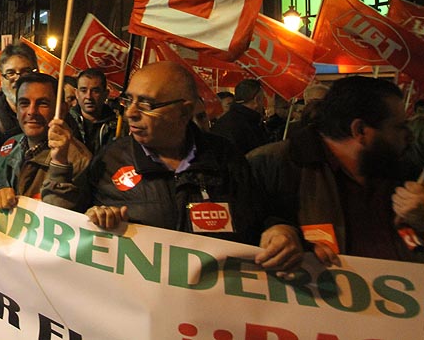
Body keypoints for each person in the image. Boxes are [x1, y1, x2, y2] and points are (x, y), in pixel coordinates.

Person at [42, 61, 302, 271]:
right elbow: (64, 227)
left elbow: (262, 215)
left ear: (184, 110)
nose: (131, 112)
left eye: (146, 104)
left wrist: (281, 230)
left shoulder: (226, 158)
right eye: (128, 100)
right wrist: (94, 218)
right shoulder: (110, 161)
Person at [248, 76, 424, 264]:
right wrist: (283, 234)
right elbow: (247, 242)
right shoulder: (274, 166)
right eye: (399, 127)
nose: (409, 136)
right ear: (361, 130)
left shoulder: (402, 171)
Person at [0, 73, 91, 210]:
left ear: (62, 110)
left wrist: (60, 165)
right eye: (24, 103)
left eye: (43, 103)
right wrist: (0, 192)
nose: (32, 111)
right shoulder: (10, 145)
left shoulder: (79, 160)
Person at [210, 78, 272, 155]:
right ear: (257, 100)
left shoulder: (248, 120)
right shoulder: (244, 124)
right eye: (263, 98)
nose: (263, 103)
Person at [66, 68, 117, 155]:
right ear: (76, 93)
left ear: (105, 94)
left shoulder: (118, 127)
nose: (88, 96)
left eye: (95, 91)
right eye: (83, 90)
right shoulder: (66, 122)